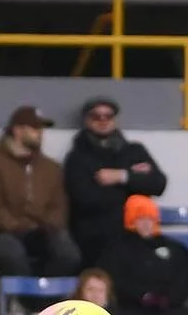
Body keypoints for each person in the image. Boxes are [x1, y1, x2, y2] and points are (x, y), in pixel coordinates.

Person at [0, 105, 81, 280]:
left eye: (41, 129)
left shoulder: (51, 168)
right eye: (34, 128)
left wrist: (46, 227)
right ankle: (27, 302)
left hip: (43, 232)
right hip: (5, 232)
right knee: (11, 254)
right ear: (17, 130)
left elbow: (59, 206)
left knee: (69, 255)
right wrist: (19, 227)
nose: (40, 133)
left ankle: (42, 301)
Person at [63, 96, 168, 266]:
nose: (103, 121)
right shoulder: (76, 158)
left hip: (138, 233)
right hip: (95, 238)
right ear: (86, 120)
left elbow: (158, 184)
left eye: (108, 116)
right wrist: (135, 183)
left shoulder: (135, 151)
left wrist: (121, 176)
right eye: (96, 116)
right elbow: (86, 200)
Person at [97, 195, 188, 315]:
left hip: (172, 313)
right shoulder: (116, 250)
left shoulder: (175, 249)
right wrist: (143, 297)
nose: (145, 223)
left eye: (150, 218)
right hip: (132, 312)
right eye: (139, 219)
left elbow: (187, 279)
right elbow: (115, 281)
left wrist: (168, 298)